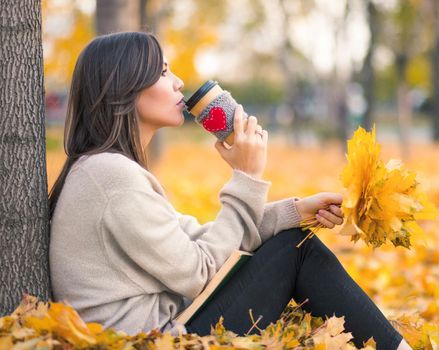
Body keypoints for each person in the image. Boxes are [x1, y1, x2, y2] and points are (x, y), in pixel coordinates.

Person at [48, 32, 411, 350]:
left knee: (293, 239)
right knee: (294, 252)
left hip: (156, 334)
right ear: (124, 86)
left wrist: (295, 212)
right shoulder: (110, 176)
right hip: (157, 341)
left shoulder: (103, 170)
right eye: (162, 72)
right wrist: (246, 177)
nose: (178, 83)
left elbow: (198, 242)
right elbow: (199, 271)